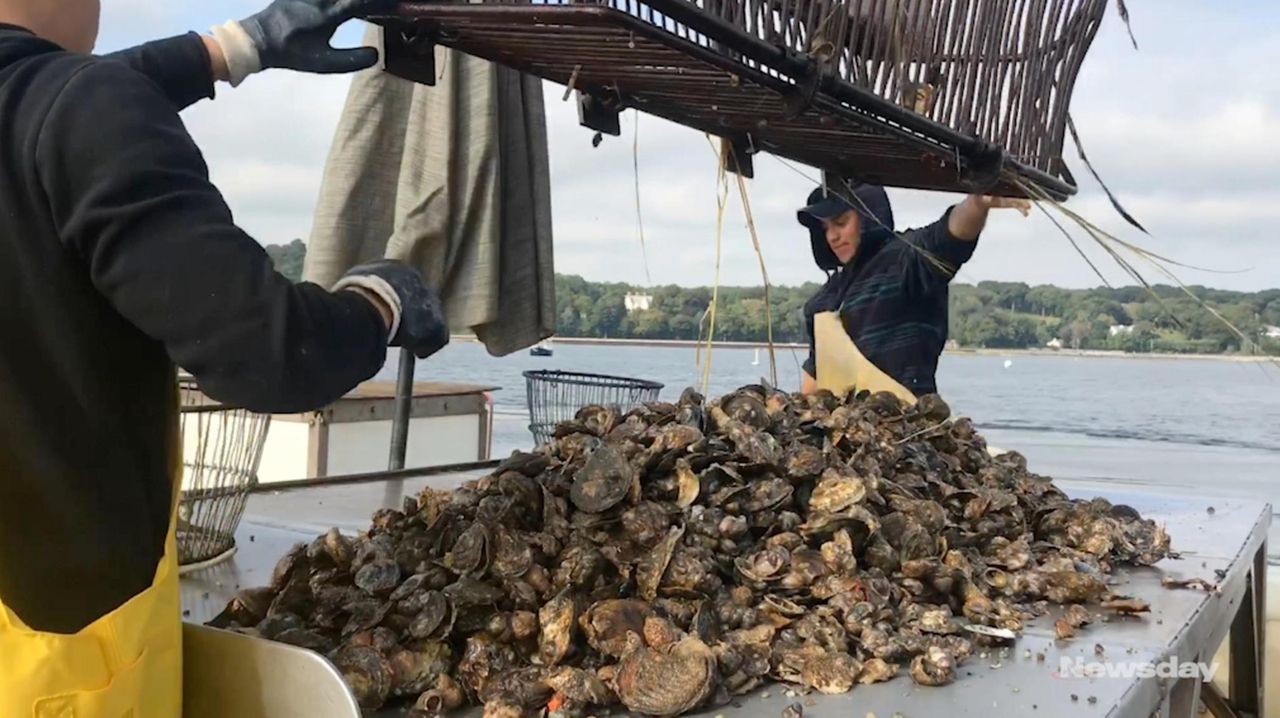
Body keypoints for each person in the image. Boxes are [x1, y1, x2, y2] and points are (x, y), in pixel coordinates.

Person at [0, 0, 450, 713]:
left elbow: (49, 103)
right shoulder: (77, 109)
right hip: (55, 670)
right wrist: (379, 304)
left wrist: (237, 46)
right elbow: (270, 352)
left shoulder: (61, 109)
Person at [797, 181, 1029, 400]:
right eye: (825, 229)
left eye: (840, 223)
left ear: (869, 216)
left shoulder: (905, 260)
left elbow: (947, 238)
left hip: (910, 424)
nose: (832, 236)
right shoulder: (823, 301)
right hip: (843, 434)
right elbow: (813, 385)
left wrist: (977, 204)